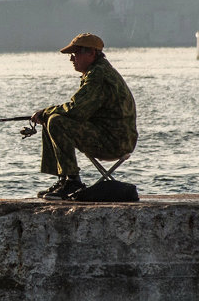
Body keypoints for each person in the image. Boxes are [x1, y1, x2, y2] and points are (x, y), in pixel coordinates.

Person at [30, 32, 137, 201]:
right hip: (112, 137)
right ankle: (63, 179)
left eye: (76, 53)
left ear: (91, 53)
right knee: (50, 119)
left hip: (115, 142)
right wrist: (46, 114)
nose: (72, 59)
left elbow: (77, 110)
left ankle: (72, 182)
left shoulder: (98, 75)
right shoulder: (97, 71)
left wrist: (46, 111)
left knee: (55, 120)